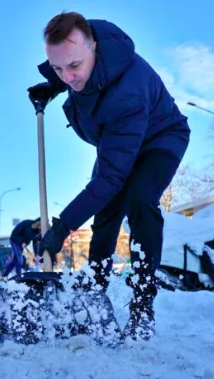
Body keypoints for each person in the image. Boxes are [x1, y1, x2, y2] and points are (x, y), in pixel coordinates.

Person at [28, 12, 190, 341]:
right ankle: (94, 295)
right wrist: (52, 85)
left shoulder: (126, 94)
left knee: (140, 200)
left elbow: (111, 179)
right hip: (118, 141)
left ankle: (143, 305)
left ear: (95, 49)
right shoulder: (84, 52)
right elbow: (72, 69)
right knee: (105, 216)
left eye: (73, 66)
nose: (68, 76)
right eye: (58, 68)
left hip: (159, 139)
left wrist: (63, 225)